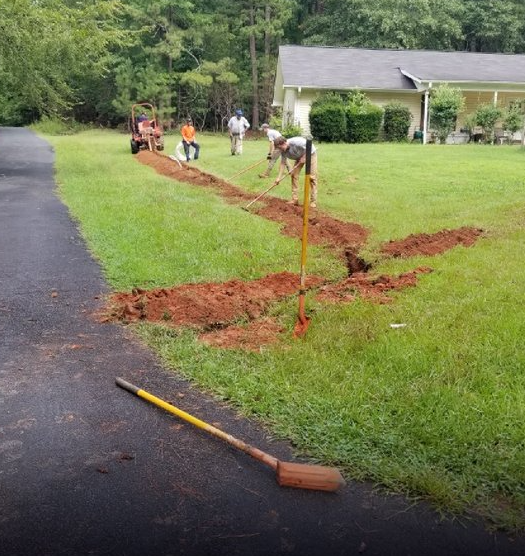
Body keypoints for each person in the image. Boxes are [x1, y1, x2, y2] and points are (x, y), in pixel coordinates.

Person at [273, 136, 318, 208]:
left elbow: (311, 148)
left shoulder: (297, 142)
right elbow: (283, 163)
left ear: (284, 143)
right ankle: (295, 199)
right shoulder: (283, 151)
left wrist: (304, 157)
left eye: (281, 148)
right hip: (299, 157)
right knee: (294, 175)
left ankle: (313, 201)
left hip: (310, 154)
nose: (281, 150)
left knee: (311, 178)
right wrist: (278, 178)